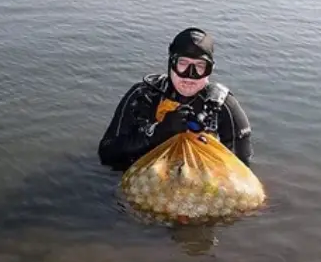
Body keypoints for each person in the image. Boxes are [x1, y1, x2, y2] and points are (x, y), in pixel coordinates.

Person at [97, 27, 253, 171]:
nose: (190, 75)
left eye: (200, 66)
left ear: (209, 69)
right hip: (146, 182)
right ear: (171, 63)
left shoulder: (223, 107)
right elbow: (107, 153)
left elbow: (242, 170)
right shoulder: (144, 95)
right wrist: (158, 133)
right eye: (182, 64)